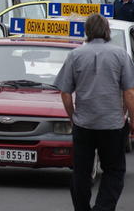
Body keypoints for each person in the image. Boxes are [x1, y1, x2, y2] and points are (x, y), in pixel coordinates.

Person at [54, 14, 134, 211]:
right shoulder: (121, 54)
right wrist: (132, 120)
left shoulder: (75, 55)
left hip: (84, 124)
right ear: (107, 31)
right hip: (113, 124)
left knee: (81, 172)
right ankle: (103, 208)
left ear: (87, 32)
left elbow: (65, 93)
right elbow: (129, 93)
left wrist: (73, 117)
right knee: (114, 171)